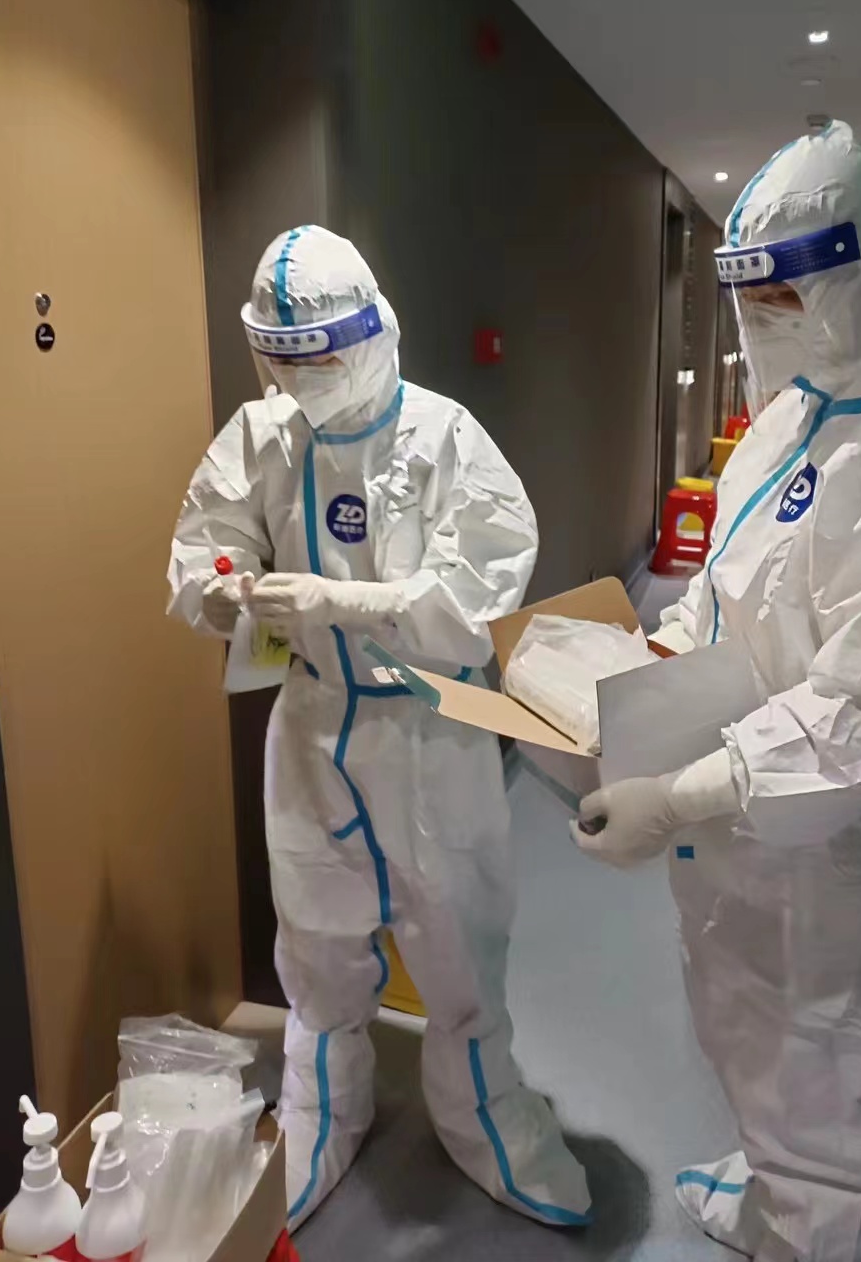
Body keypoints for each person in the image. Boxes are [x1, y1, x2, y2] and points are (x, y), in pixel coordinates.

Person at [574, 122, 861, 1262]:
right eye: (754, 298)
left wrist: (676, 796)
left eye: (788, 296)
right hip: (742, 811)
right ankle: (773, 1192)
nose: (766, 322)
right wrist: (656, 663)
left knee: (833, 1075)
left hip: (853, 847)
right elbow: (728, 589)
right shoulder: (793, 416)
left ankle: (817, 1229)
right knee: (749, 1030)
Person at [168, 226, 591, 1232]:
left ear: (372, 333)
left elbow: (477, 594)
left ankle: (486, 1117)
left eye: (319, 357)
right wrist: (222, 591)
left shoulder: (445, 438)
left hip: (428, 730)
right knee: (316, 940)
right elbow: (204, 543)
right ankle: (323, 1113)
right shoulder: (260, 436)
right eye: (282, 359)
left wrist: (344, 601)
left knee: (456, 939)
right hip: (311, 723)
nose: (301, 380)